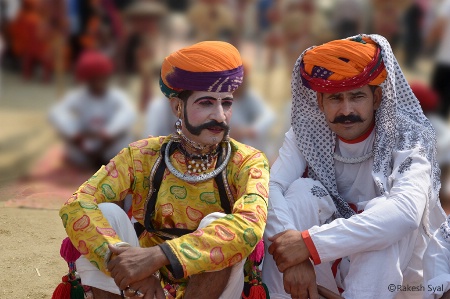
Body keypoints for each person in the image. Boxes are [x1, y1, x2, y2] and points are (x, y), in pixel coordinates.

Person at [59, 41, 269, 299]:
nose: (220, 115)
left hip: (214, 287)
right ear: (177, 107)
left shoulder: (248, 160)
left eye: (226, 103)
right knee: (107, 213)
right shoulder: (142, 154)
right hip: (144, 284)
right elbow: (77, 204)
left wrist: (157, 257)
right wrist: (134, 267)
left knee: (220, 223)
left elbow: (250, 226)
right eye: (206, 103)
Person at [261, 34, 446, 299]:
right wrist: (294, 256)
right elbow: (272, 186)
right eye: (335, 99)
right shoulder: (309, 134)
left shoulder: (406, 136)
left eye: (357, 96)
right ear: (320, 102)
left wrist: (308, 244)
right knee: (302, 192)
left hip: (397, 280)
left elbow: (406, 212)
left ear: (377, 97)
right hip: (323, 268)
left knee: (385, 214)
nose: (346, 110)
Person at [49, 50, 136, 169]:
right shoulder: (78, 96)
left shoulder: (117, 96)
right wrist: (74, 134)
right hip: (84, 145)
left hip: (111, 145)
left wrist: (109, 133)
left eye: (101, 78)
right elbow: (56, 113)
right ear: (87, 80)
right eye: (94, 78)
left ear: (107, 77)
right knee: (75, 152)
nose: (98, 82)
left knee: (123, 143)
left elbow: (129, 112)